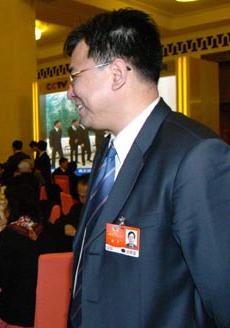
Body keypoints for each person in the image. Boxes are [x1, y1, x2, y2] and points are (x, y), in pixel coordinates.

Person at [65, 8, 230, 328]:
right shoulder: (108, 151)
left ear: (116, 73)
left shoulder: (196, 156)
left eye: (75, 75)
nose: (70, 91)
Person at [0, 184, 66, 327]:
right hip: (56, 309)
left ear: (10, 206)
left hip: (20, 313)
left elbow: (2, 279)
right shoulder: (54, 231)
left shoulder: (6, 236)